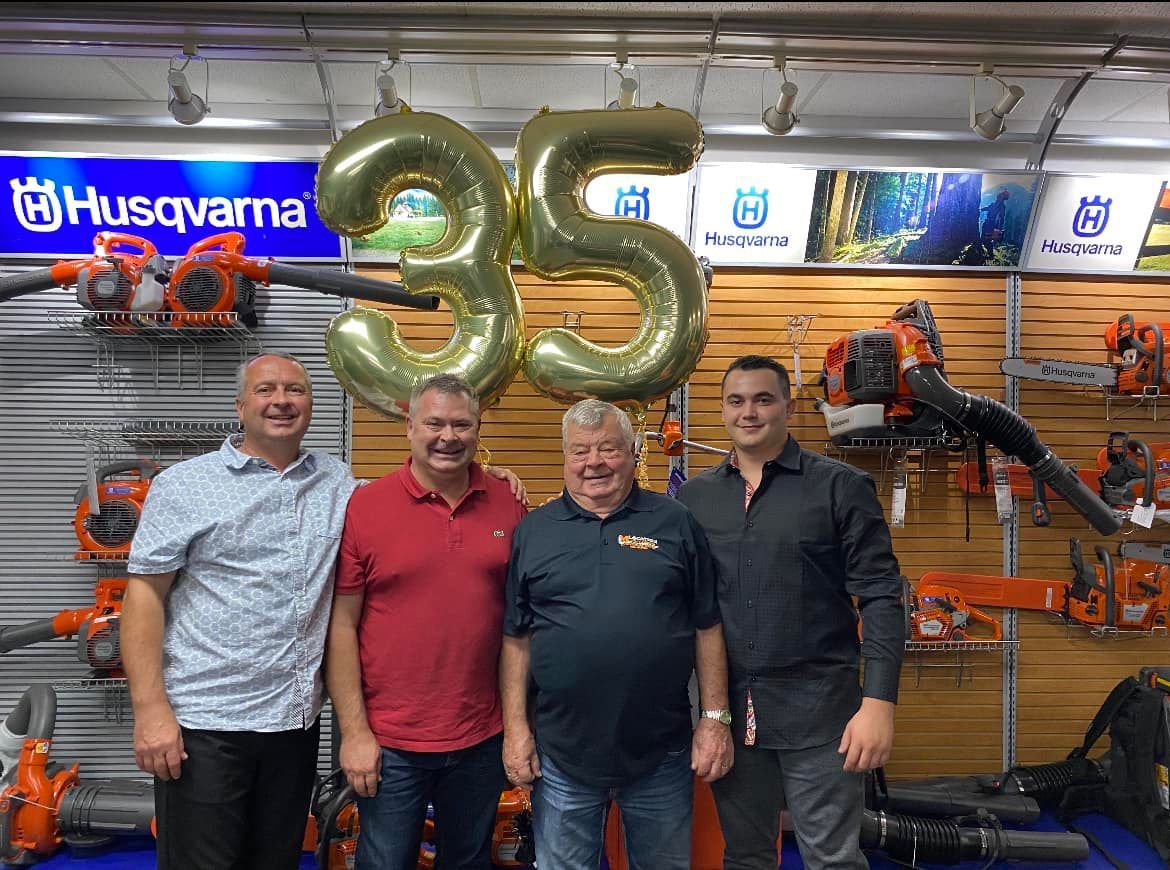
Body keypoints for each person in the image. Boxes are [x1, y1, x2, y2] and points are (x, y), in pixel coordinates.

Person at [123, 351, 358, 870]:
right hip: (205, 726)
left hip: (293, 724)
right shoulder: (184, 485)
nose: (281, 401)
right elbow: (143, 598)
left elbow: (409, 496)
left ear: (311, 404)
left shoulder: (336, 481)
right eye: (265, 389)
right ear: (240, 405)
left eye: (295, 390)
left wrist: (481, 472)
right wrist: (150, 710)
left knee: (276, 861)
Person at [676, 355, 904, 870]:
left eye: (763, 399)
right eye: (736, 401)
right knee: (746, 857)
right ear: (722, 411)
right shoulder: (694, 499)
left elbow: (882, 597)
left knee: (832, 859)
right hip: (733, 714)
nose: (749, 412)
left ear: (789, 406)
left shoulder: (840, 487)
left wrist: (879, 704)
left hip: (822, 714)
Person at [501, 398, 733, 870]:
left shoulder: (674, 522)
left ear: (632, 452)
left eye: (608, 448)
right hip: (561, 755)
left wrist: (715, 719)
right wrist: (516, 730)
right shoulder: (534, 531)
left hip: (660, 751)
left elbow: (706, 626)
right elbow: (516, 639)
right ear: (565, 457)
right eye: (580, 451)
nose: (594, 462)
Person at [325, 374, 527, 870]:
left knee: (469, 861)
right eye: (434, 423)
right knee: (385, 861)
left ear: (478, 429)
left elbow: (519, 628)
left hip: (481, 736)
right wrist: (354, 732)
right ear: (410, 426)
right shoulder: (365, 506)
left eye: (462, 424)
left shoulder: (509, 502)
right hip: (390, 741)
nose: (448, 437)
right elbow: (341, 627)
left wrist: (516, 727)